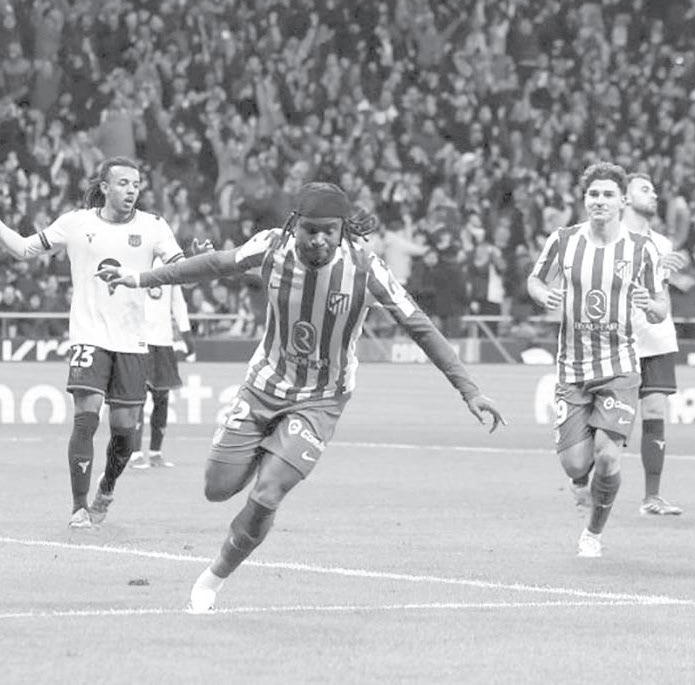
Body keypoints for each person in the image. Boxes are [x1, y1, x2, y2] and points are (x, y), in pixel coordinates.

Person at [98, 182, 506, 612]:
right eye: (311, 230)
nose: (320, 240)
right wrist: (139, 279)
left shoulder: (365, 267)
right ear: (295, 225)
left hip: (321, 399)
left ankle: (211, 579)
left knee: (267, 494)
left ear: (343, 229)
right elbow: (216, 263)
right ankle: (267, 450)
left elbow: (419, 325)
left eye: (330, 231)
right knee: (217, 489)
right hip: (263, 386)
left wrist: (470, 390)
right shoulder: (272, 247)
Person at [0, 156, 185, 528]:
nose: (131, 190)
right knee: (86, 418)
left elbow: (180, 269)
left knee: (125, 432)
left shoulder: (153, 226)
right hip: (89, 336)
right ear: (104, 187)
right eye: (123, 183)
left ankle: (107, 485)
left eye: (136, 184)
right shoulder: (76, 223)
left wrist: (205, 258)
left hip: (133, 342)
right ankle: (79, 507)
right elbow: (24, 249)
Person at [526, 162, 667, 558]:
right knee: (576, 465)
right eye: (593, 194)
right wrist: (543, 295)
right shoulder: (563, 241)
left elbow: (661, 307)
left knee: (607, 457)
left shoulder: (641, 249)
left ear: (623, 202)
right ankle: (579, 479)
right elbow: (534, 280)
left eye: (608, 194)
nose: (600, 201)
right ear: (584, 199)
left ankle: (592, 534)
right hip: (572, 370)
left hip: (620, 368)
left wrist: (650, 305)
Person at [623, 173, 689, 516]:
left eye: (654, 190)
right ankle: (588, 480)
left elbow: (660, 293)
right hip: (618, 338)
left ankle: (652, 497)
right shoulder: (608, 239)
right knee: (614, 418)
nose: (654, 195)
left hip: (657, 339)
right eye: (645, 189)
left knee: (654, 411)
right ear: (625, 197)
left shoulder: (662, 244)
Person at [127, 258, 195, 469]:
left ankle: (156, 452)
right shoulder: (136, 260)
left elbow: (178, 304)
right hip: (139, 340)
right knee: (138, 398)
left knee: (162, 398)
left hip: (164, 342)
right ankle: (135, 453)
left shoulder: (171, 264)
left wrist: (187, 336)